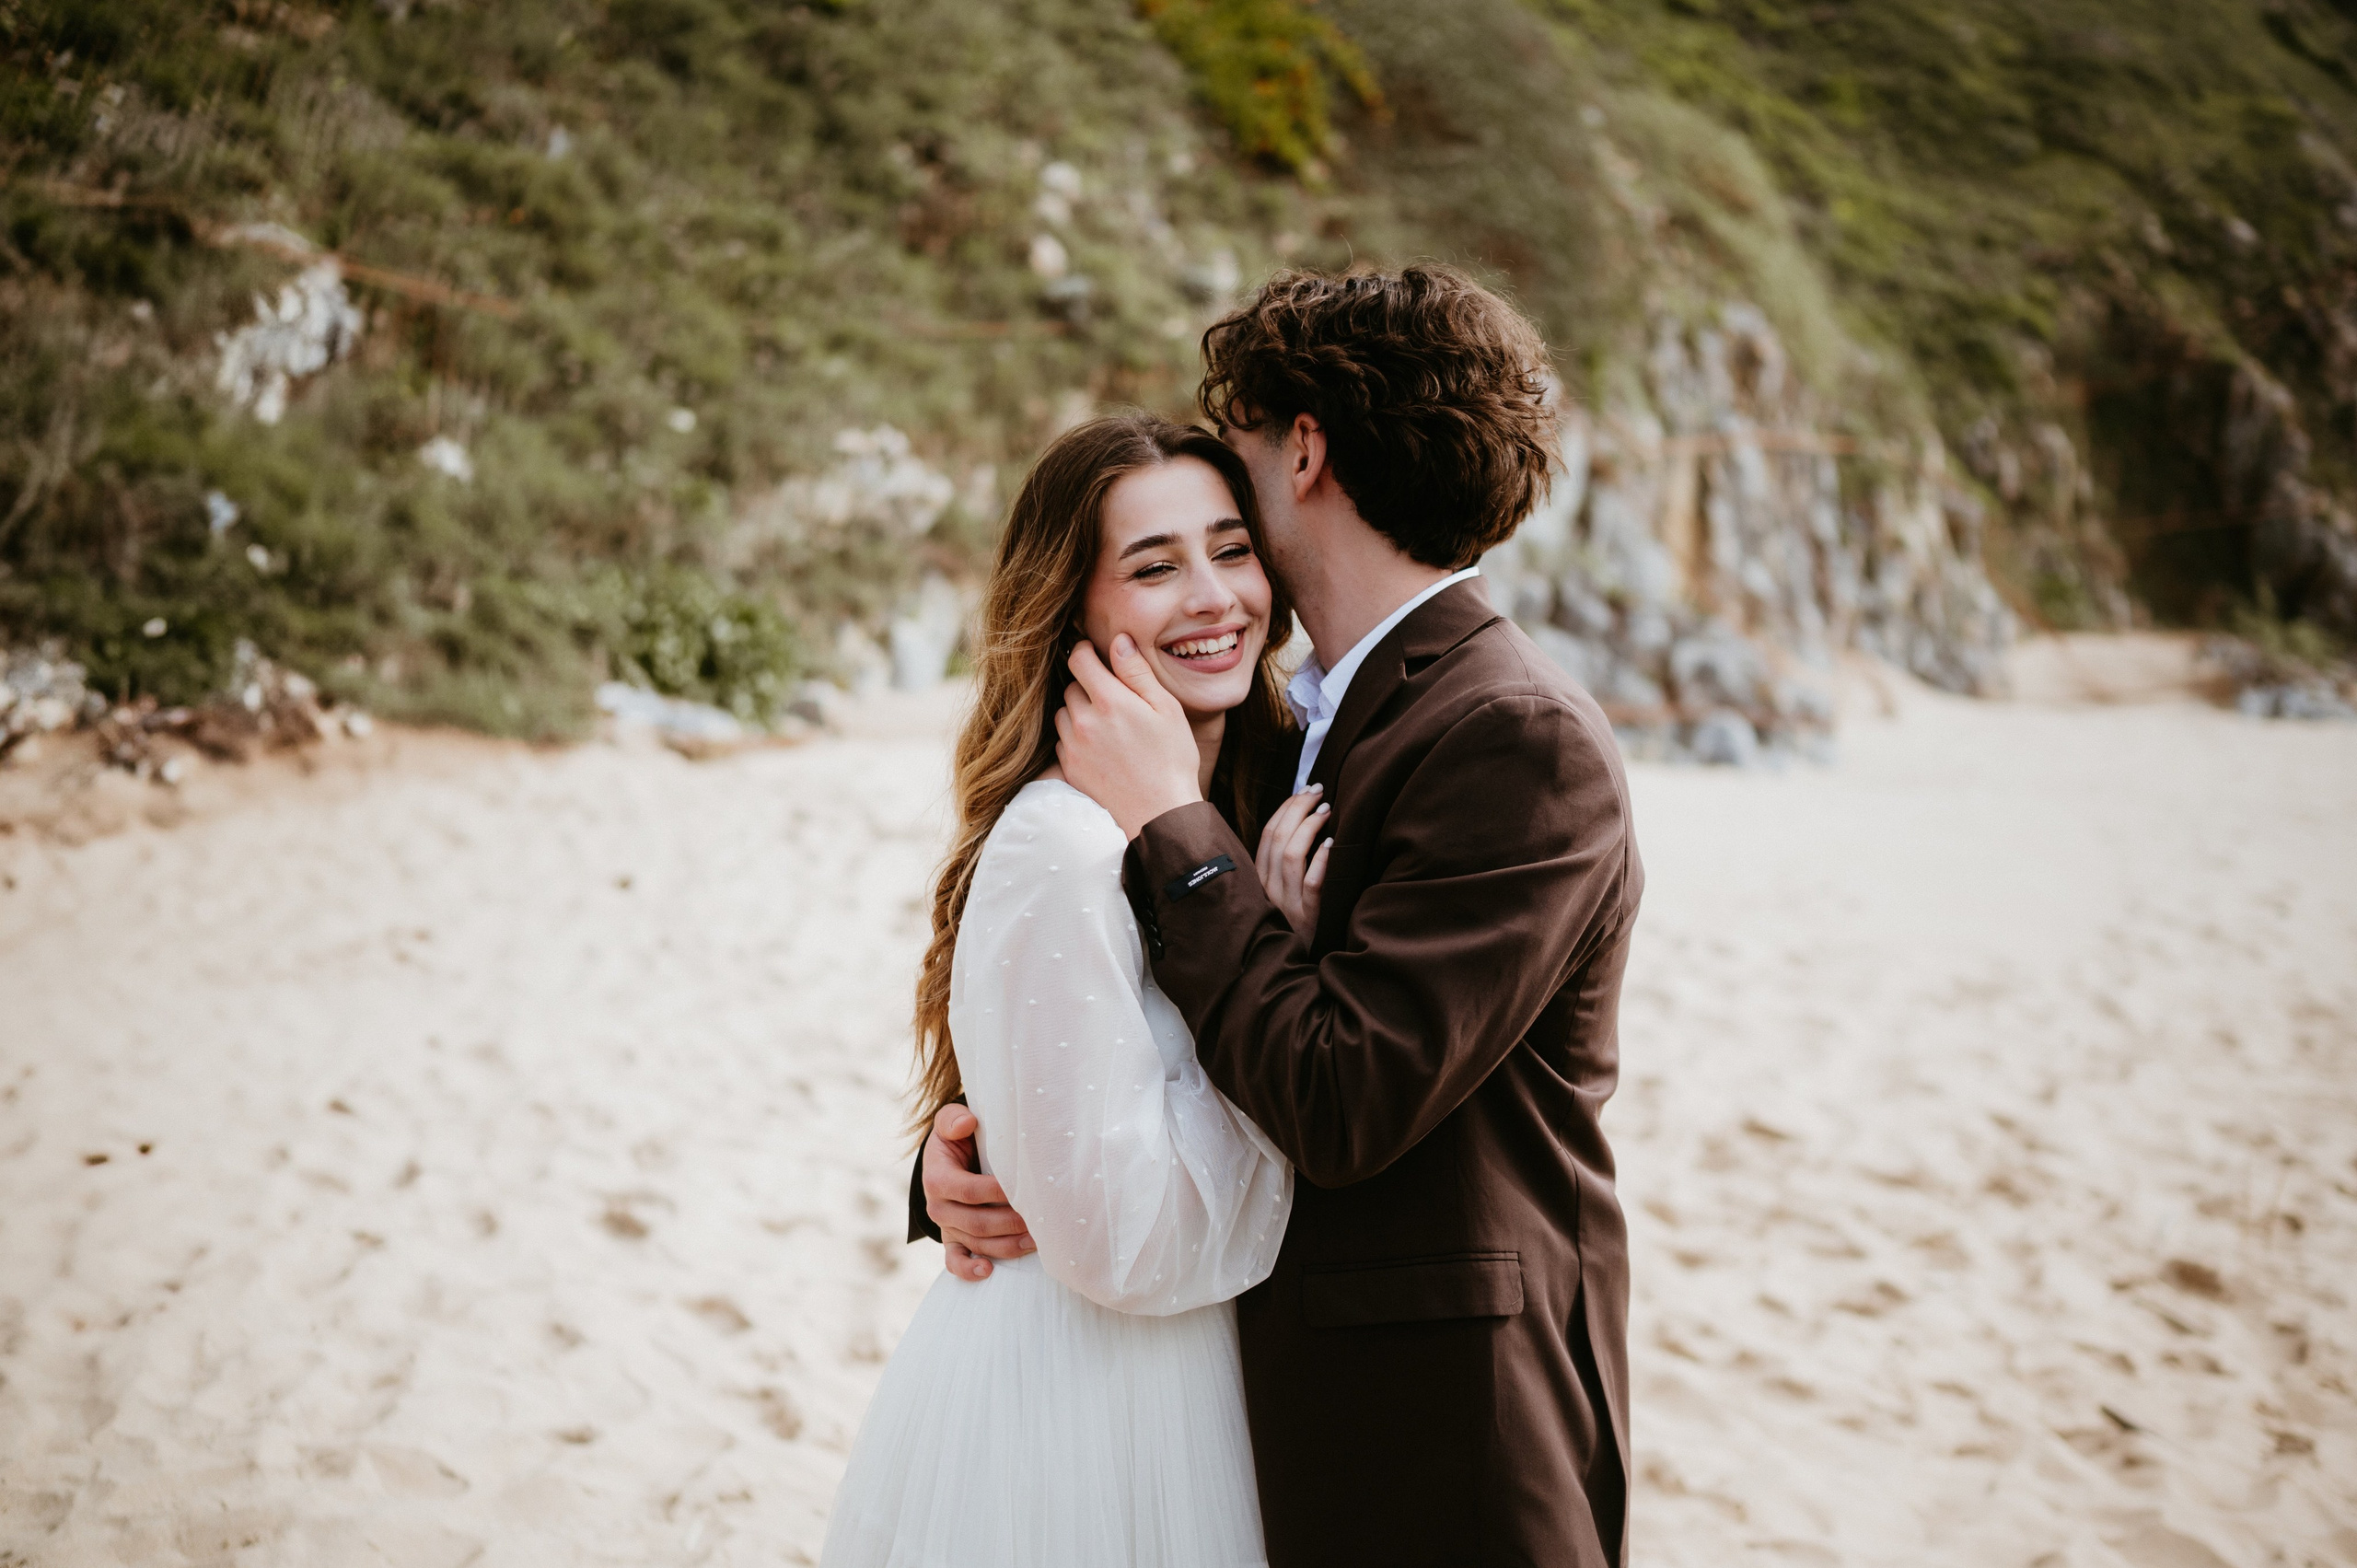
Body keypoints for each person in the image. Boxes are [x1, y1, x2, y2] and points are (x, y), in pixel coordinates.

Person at [917, 265, 1644, 1567]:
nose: (1214, 566)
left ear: (1301, 448)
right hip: (1221, 1407)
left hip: (1434, 1435)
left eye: (1241, 458)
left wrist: (1182, 838)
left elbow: (1343, 1092)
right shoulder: (1269, 732)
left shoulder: (1508, 733)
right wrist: (972, 1160)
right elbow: (1098, 1008)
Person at [822, 413, 1319, 1567]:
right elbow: (1119, 1233)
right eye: (1153, 567)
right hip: (1092, 1399)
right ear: (1073, 610)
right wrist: (1281, 946)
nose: (1211, 596)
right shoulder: (1063, 843)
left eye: (1232, 549)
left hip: (1206, 1370)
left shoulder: (1271, 787)